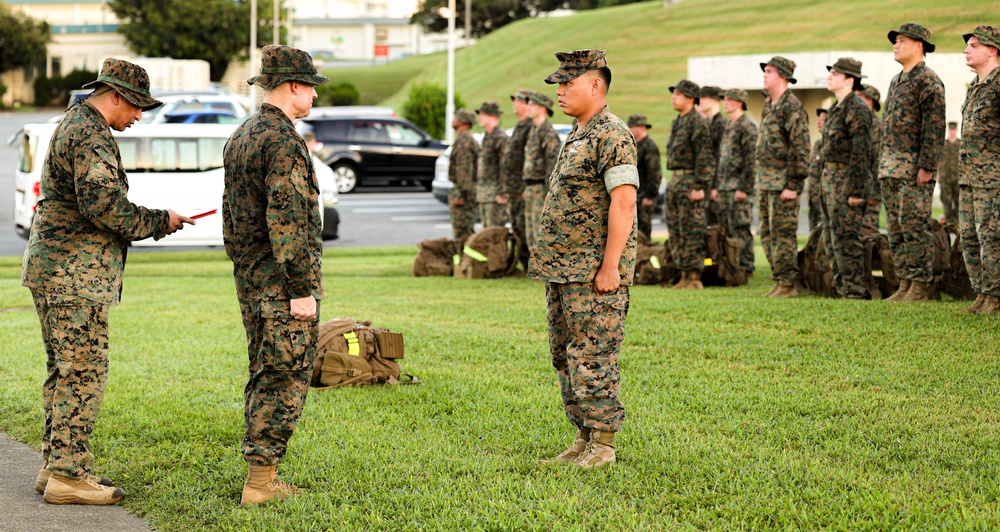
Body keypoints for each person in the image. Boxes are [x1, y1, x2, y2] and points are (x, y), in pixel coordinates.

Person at [22, 58, 191, 505]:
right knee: (83, 372)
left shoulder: (74, 123)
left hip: (56, 268)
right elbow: (106, 207)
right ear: (115, 96)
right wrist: (161, 220)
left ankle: (56, 464)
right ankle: (69, 476)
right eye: (136, 107)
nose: (138, 117)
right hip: (73, 273)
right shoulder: (91, 133)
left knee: (64, 370)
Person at [222, 45, 329, 505]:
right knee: (283, 377)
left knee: (264, 370)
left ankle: (262, 474)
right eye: (310, 88)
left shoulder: (244, 134)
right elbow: (288, 224)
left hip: (252, 278)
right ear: (292, 87)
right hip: (279, 284)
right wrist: (301, 291)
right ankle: (261, 483)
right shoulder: (282, 141)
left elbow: (230, 219)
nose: (314, 97)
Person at [530, 49, 637, 469]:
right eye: (557, 83)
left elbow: (624, 204)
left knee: (593, 356)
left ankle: (604, 445)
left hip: (594, 272)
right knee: (566, 356)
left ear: (595, 84)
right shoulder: (578, 133)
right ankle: (583, 437)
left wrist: (610, 267)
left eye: (566, 83)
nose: (558, 90)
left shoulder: (613, 134)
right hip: (563, 270)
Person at [880, 23, 947, 303]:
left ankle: (920, 285)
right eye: (895, 41)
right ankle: (904, 282)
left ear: (918, 45)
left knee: (915, 227)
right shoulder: (897, 80)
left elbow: (934, 127)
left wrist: (927, 166)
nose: (896, 45)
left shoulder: (928, 80)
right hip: (891, 168)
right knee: (895, 228)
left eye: (902, 41)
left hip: (913, 170)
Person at [756, 56, 811, 298]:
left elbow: (801, 149)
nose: (765, 75)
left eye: (769, 71)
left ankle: (788, 283)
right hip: (766, 182)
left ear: (783, 77)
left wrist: (793, 184)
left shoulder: (792, 107)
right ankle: (779, 279)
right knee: (767, 234)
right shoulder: (770, 105)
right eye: (765, 71)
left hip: (783, 185)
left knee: (783, 234)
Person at [820, 58, 873, 299]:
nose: (830, 76)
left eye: (835, 73)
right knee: (831, 236)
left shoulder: (857, 108)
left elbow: (861, 152)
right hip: (829, 178)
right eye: (830, 72)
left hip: (846, 179)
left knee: (846, 237)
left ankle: (855, 290)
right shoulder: (835, 108)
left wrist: (856, 191)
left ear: (850, 80)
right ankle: (842, 288)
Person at [958, 26, 1000, 314]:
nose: (966, 50)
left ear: (992, 50)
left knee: (992, 237)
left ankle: (995, 296)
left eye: (973, 45)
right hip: (970, 176)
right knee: (970, 237)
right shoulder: (974, 86)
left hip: (993, 178)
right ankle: (982, 293)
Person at [665, 79, 713, 290]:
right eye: (673, 93)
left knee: (692, 229)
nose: (674, 97)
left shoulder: (698, 122)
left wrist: (700, 186)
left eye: (678, 94)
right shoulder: (678, 121)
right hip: (676, 179)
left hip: (690, 180)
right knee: (676, 229)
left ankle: (694, 276)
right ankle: (683, 273)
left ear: (691, 99)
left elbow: (705, 157)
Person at [715, 88, 759, 279]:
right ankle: (733, 265)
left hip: (738, 188)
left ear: (740, 102)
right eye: (724, 99)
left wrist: (744, 188)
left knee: (741, 228)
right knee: (727, 228)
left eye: (730, 100)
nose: (726, 103)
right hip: (726, 187)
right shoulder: (730, 125)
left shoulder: (747, 126)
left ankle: (746, 266)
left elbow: (751, 160)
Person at [522, 92, 562, 252]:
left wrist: (548, 192)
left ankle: (543, 270)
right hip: (531, 187)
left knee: (541, 230)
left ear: (542, 108)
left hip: (541, 188)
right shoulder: (533, 131)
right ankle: (535, 271)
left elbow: (552, 167)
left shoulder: (548, 134)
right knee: (530, 230)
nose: (528, 108)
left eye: (532, 105)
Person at [500, 90, 534, 267]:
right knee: (517, 226)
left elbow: (529, 159)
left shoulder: (530, 127)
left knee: (525, 227)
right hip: (512, 188)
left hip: (521, 189)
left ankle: (529, 264)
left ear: (528, 104)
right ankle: (522, 262)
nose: (514, 103)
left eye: (518, 100)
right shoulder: (520, 126)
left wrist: (524, 187)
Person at [448, 108, 480, 256]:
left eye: (456, 117)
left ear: (463, 122)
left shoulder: (464, 141)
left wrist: (461, 193)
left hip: (464, 192)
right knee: (463, 229)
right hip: (464, 189)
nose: (453, 119)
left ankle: (465, 263)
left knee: (462, 230)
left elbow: (464, 169)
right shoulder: (463, 138)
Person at [627, 114, 662, 242]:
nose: (629, 129)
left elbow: (655, 173)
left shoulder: (649, 146)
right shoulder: (635, 145)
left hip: (643, 199)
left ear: (641, 127)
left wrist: (650, 196)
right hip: (635, 197)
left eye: (632, 127)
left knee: (643, 234)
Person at [475, 101, 509, 228]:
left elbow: (505, 167)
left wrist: (502, 193)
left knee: (494, 235)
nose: (479, 117)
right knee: (486, 234)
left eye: (483, 114)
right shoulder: (487, 137)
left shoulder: (500, 138)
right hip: (485, 194)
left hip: (495, 196)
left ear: (493, 117)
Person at [698, 86, 729, 227]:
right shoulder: (709, 123)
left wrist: (715, 186)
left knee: (717, 228)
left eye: (704, 98)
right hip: (709, 185)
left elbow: (721, 158)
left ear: (715, 100)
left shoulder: (721, 124)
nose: (700, 101)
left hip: (716, 187)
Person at [855, 84, 884, 228]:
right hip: (852, 190)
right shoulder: (855, 122)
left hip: (869, 192)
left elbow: (879, 161)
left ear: (870, 101)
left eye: (859, 97)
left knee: (869, 234)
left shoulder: (877, 126)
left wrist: (875, 195)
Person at [807, 108, 828, 231]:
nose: (819, 122)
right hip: (813, 199)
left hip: (825, 200)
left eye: (823, 119)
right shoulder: (818, 144)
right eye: (819, 118)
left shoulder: (832, 145)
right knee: (813, 234)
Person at [939, 121, 960, 226]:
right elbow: (938, 161)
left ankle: (956, 223)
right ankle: (947, 223)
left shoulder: (961, 144)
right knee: (946, 201)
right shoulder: (944, 144)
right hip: (945, 178)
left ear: (956, 130)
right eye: (950, 129)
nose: (952, 131)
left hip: (958, 178)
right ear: (948, 130)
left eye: (954, 129)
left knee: (958, 201)